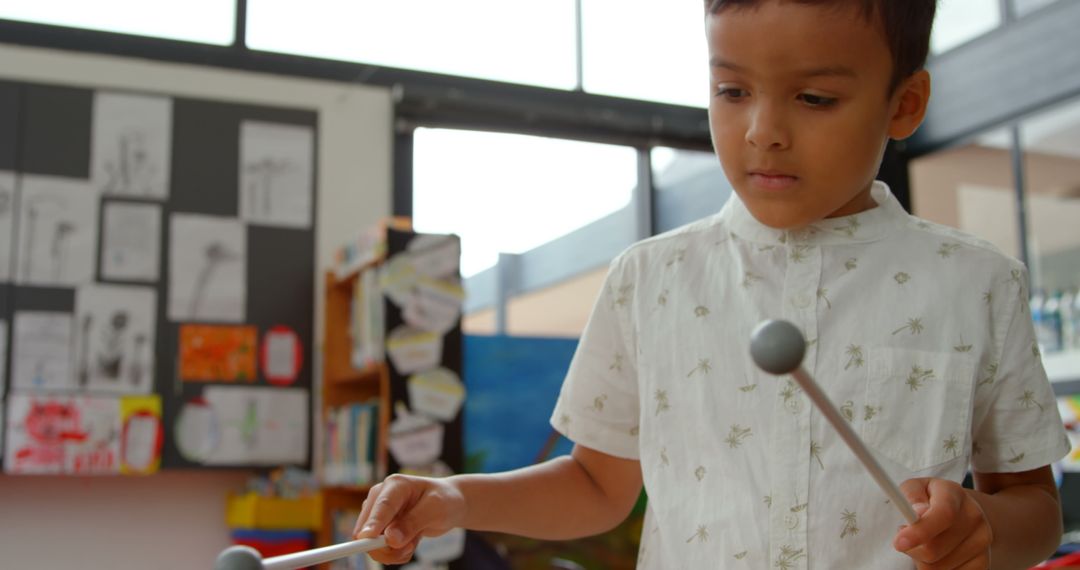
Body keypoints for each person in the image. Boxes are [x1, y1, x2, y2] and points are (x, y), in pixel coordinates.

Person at [354, 1, 1072, 567]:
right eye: (732, 90)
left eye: (815, 98)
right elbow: (596, 486)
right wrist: (452, 497)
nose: (763, 130)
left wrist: (982, 528)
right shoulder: (649, 279)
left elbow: (1033, 506)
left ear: (905, 104)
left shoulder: (975, 283)